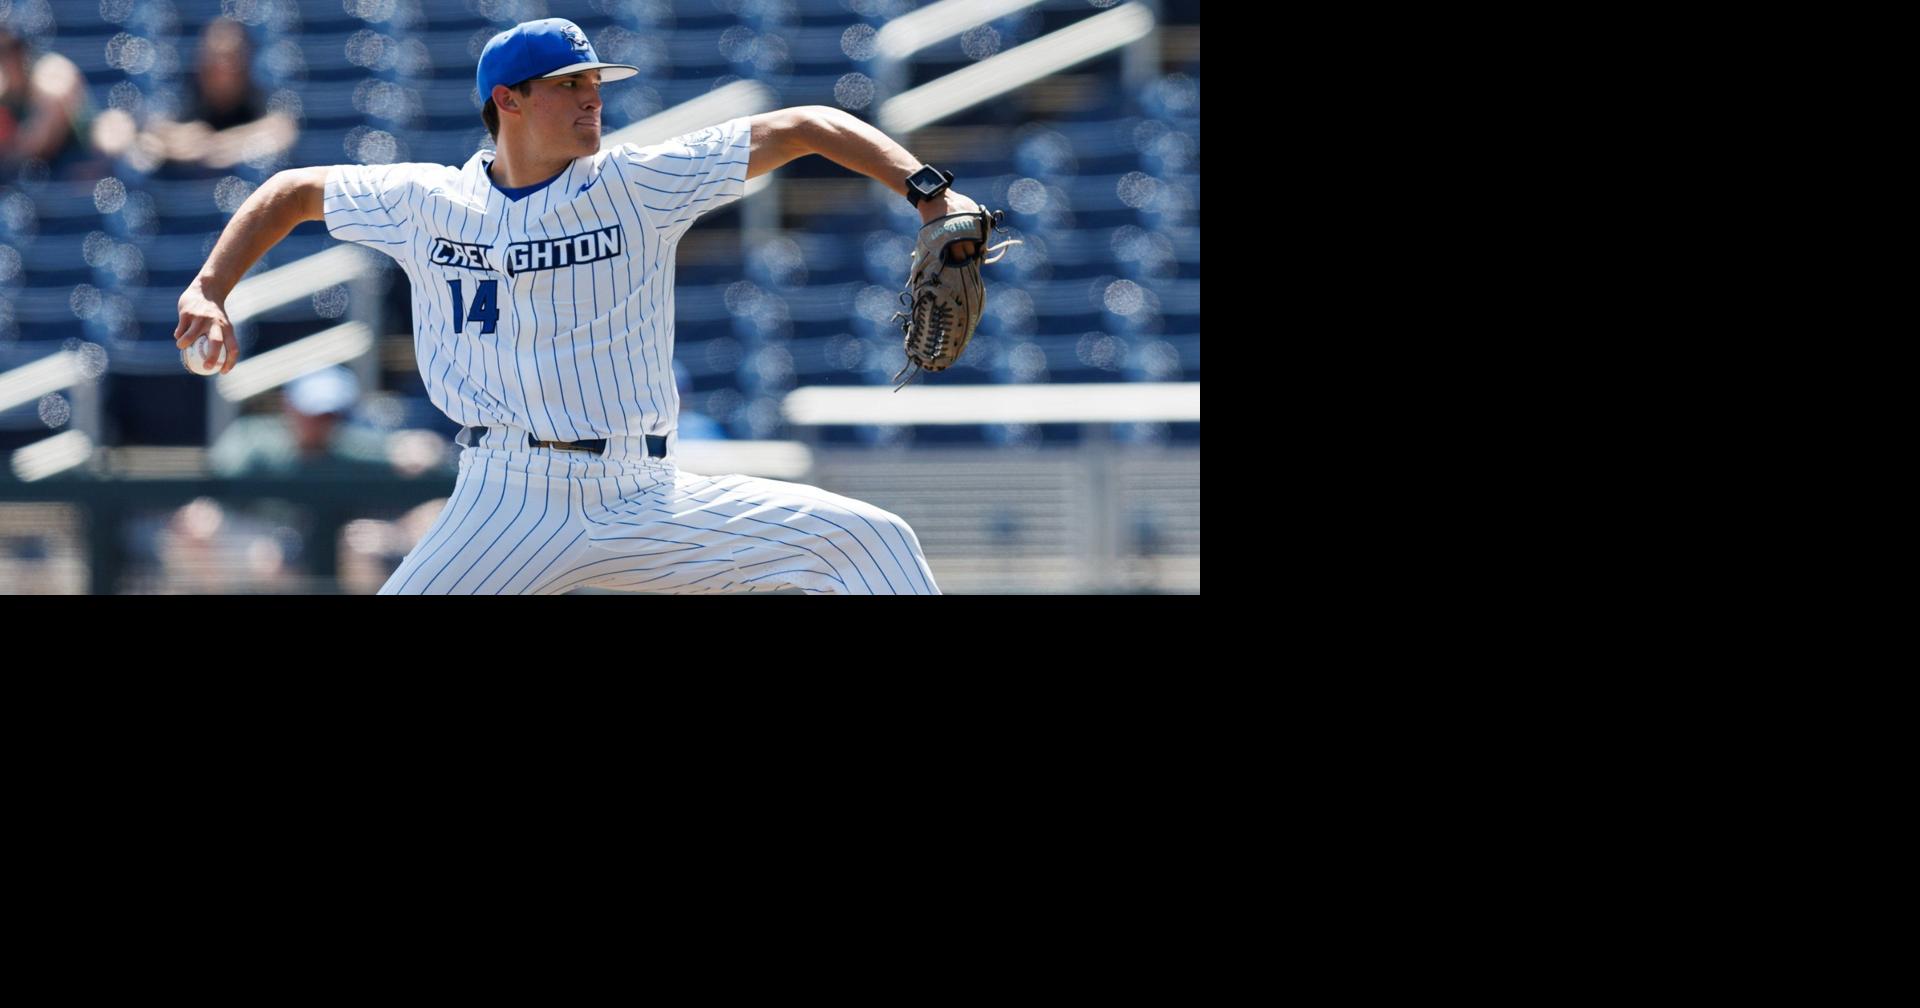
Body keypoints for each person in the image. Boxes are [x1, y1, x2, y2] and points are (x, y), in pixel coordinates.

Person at [172, 17, 978, 594]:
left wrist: (928, 192)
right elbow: (292, 191)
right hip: (507, 496)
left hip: (643, 492)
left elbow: (805, 125)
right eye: (570, 85)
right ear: (509, 101)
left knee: (870, 545)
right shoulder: (426, 199)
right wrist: (210, 287)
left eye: (596, 83)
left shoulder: (639, 183)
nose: (594, 98)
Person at [92, 18, 296, 175]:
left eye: (231, 58)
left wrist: (217, 144)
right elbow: (153, 131)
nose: (223, 67)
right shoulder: (186, 96)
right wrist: (184, 141)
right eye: (215, 58)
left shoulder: (256, 98)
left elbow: (280, 129)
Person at [208, 365, 393, 478]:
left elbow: (399, 452)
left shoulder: (353, 447)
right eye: (312, 413)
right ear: (288, 405)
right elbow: (220, 472)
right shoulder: (250, 438)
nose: (320, 422)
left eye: (330, 414)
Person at [0, 25, 103, 183]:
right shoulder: (5, 85)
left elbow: (40, 144)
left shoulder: (52, 74)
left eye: (10, 49)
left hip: (79, 164)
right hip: (36, 176)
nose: (6, 58)